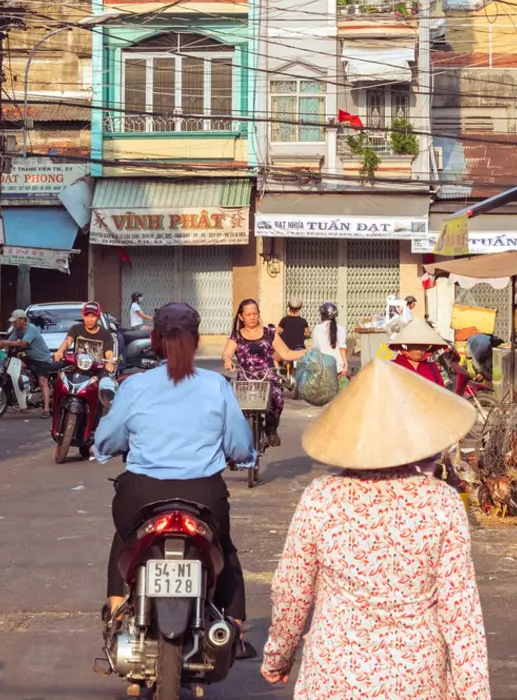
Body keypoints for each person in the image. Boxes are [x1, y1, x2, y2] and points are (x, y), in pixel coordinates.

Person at [261, 359, 489, 699]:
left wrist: (278, 657)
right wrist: (474, 693)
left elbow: (293, 592)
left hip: (335, 677)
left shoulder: (322, 498)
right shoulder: (442, 502)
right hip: (416, 681)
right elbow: (461, 613)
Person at [93, 303, 256, 651]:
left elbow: (106, 441)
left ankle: (117, 610)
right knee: (223, 549)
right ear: (195, 342)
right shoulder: (216, 386)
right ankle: (236, 629)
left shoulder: (134, 387)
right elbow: (240, 446)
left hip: (141, 495)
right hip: (204, 497)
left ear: (154, 341)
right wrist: (243, 457)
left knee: (125, 538)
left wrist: (113, 448)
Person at [221, 298, 287, 442]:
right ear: (241, 316)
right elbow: (227, 353)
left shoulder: (269, 333)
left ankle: (271, 428)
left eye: (255, 313)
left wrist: (305, 353)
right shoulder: (236, 336)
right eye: (248, 314)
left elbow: (286, 353)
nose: (252, 317)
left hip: (267, 377)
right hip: (246, 378)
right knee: (235, 409)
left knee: (277, 398)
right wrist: (227, 360)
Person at [3, 307, 60, 412]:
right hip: (29, 358)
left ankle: (46, 409)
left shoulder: (31, 328)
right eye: (13, 322)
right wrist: (4, 348)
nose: (14, 324)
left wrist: (6, 343)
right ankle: (26, 391)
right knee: (17, 366)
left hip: (42, 359)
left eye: (15, 322)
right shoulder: (17, 331)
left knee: (42, 381)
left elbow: (23, 343)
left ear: (22, 320)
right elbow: (10, 341)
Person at [387, 317, 452, 386]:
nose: (422, 348)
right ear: (407, 344)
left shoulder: (432, 366)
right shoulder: (392, 366)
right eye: (417, 344)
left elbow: (441, 391)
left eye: (425, 345)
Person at [310, 301, 348, 378]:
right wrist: (345, 364)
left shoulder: (316, 329)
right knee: (335, 389)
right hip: (337, 367)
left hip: (322, 367)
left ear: (322, 316)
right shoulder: (341, 329)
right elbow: (342, 349)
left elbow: (315, 349)